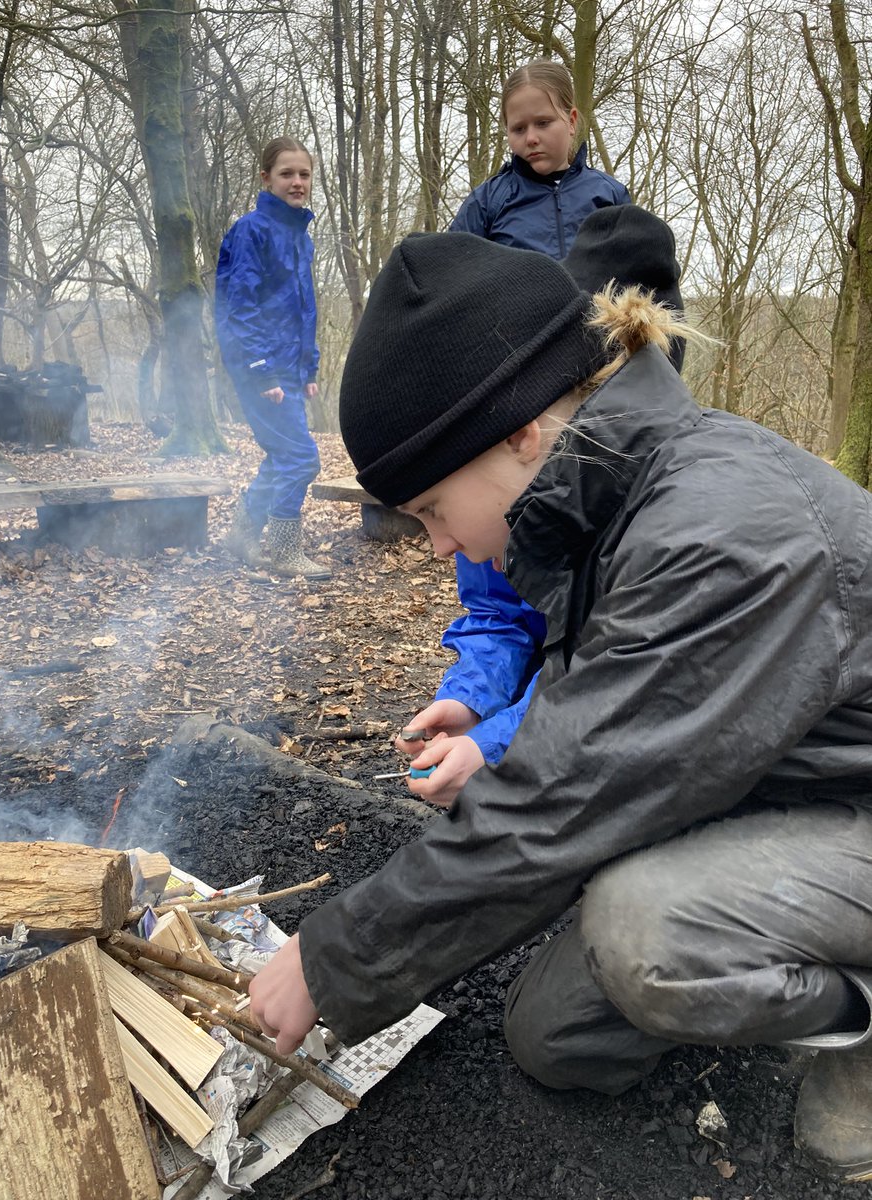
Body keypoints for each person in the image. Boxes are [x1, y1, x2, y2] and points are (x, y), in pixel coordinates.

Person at [250, 210, 872, 1183]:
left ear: (523, 431)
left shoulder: (721, 538)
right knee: (558, 1038)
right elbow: (608, 708)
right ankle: (766, 958)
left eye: (430, 510)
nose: (439, 546)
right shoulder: (603, 497)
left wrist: (329, 960)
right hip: (782, 783)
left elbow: (563, 801)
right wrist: (498, 728)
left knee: (647, 934)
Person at [398, 60, 631, 804]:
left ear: (573, 120)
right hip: (506, 384)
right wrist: (470, 704)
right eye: (516, 127)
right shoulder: (491, 201)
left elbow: (614, 668)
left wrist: (495, 745)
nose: (529, 137)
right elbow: (495, 611)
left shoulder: (607, 198)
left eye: (542, 123)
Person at [214, 136, 330, 579]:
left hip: (287, 367)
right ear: (266, 178)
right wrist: (261, 370)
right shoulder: (252, 230)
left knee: (282, 455)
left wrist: (309, 367)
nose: (297, 182)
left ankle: (241, 535)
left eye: (304, 174)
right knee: (301, 458)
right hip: (258, 367)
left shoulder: (300, 235)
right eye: (287, 174)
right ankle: (284, 550)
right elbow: (239, 307)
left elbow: (303, 307)